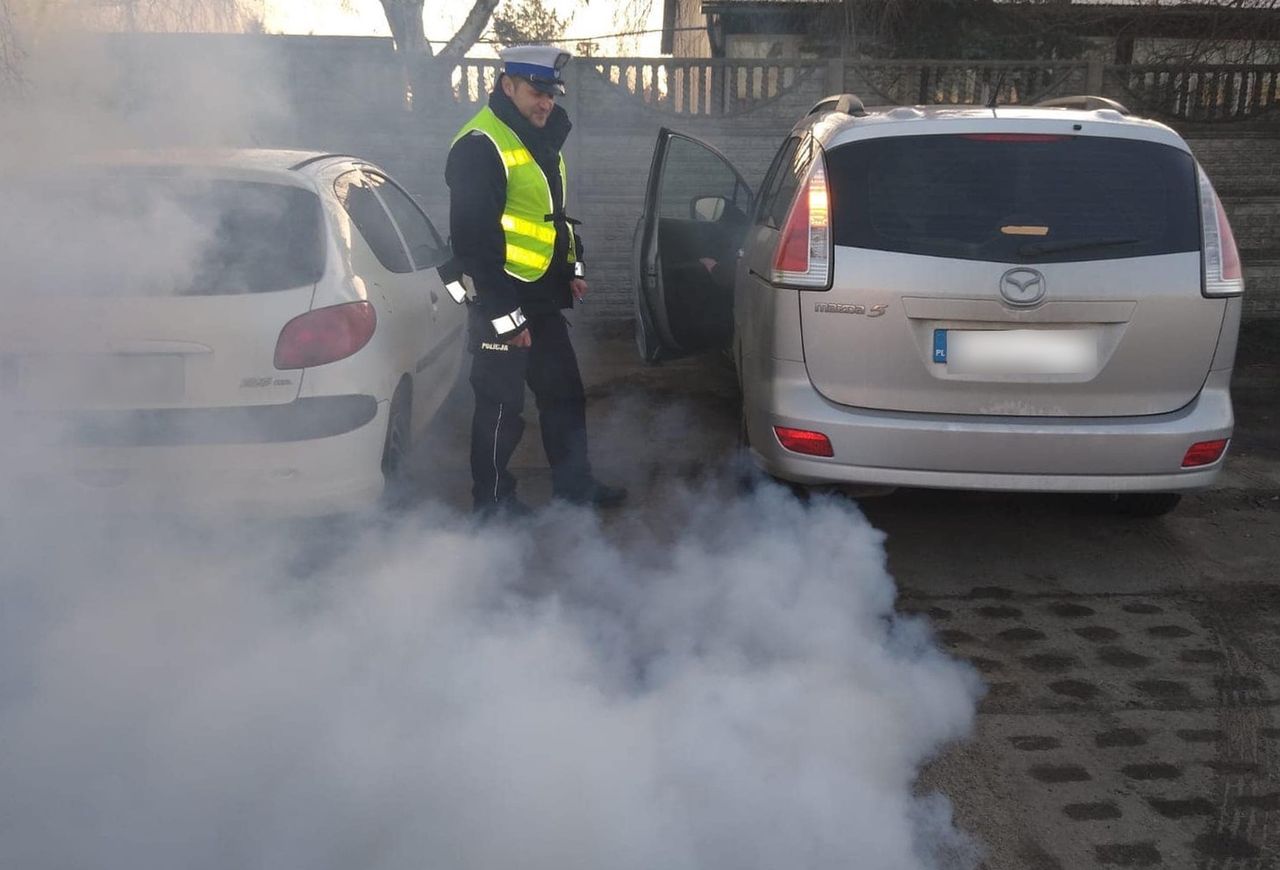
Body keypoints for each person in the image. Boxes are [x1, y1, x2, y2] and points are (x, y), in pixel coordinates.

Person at [446, 45, 627, 518]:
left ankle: (574, 487)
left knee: (564, 395)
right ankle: (492, 505)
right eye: (535, 91)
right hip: (498, 298)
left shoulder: (538, 138)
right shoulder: (480, 145)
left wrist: (572, 270)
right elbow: (473, 242)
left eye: (550, 93)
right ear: (507, 86)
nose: (545, 102)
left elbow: (551, 219)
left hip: (540, 296)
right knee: (502, 408)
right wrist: (506, 318)